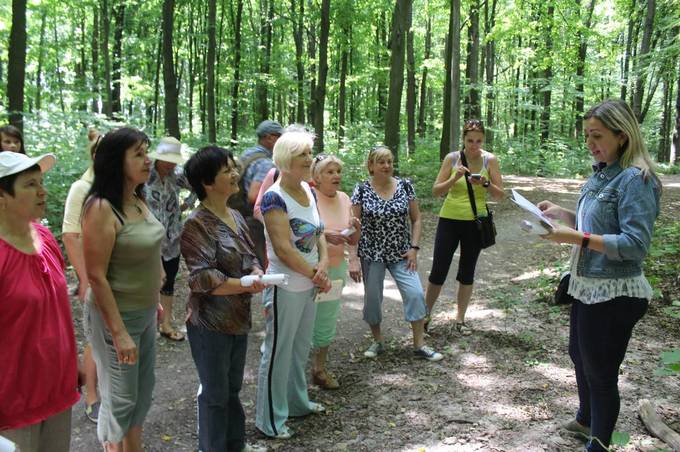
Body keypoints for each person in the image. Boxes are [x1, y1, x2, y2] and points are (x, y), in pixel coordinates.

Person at [537, 99, 661, 452]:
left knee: (601, 372)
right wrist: (563, 215)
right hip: (588, 284)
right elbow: (596, 226)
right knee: (579, 355)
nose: (590, 143)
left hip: (615, 291)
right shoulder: (603, 171)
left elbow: (635, 244)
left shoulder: (635, 179)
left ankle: (600, 444)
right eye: (587, 135)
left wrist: (577, 237)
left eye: (597, 135)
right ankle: (585, 419)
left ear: (622, 135)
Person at [81, 127, 165, 451]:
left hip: (144, 312)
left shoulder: (137, 198)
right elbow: (96, 276)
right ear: (117, 161)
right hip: (116, 318)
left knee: (142, 394)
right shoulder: (101, 207)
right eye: (139, 154)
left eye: (147, 151)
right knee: (121, 398)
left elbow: (149, 252)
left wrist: (154, 300)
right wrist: (118, 333)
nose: (149, 160)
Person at [181, 146, 267, 452]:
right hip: (210, 324)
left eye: (234, 167)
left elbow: (249, 257)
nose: (234, 173)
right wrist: (245, 283)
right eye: (226, 170)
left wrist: (255, 271)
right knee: (215, 394)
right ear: (207, 182)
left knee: (232, 389)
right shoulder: (196, 224)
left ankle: (235, 444)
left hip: (237, 318)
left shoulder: (235, 215)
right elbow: (203, 279)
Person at [0, 151, 81, 451]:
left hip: (57, 391)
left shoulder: (45, 238)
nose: (42, 191)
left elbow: (56, 310)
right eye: (30, 184)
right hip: (12, 407)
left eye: (41, 182)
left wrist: (73, 363)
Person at [255, 129, 331, 439]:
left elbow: (319, 232)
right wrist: (315, 272)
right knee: (277, 352)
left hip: (310, 282)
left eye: (309, 153)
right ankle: (270, 419)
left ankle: (297, 403)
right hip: (284, 285)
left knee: (300, 349)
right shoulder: (274, 196)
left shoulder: (309, 190)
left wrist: (323, 265)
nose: (309, 159)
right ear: (287, 159)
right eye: (303, 154)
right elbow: (283, 248)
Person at [350, 146, 443, 362]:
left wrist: (414, 248)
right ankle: (378, 341)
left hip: (402, 252)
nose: (387, 166)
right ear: (371, 166)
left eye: (390, 161)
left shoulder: (405, 186)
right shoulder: (361, 189)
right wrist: (353, 257)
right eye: (381, 162)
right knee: (372, 299)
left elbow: (416, 219)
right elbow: (354, 227)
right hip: (371, 253)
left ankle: (419, 344)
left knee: (415, 293)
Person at [424, 119, 504, 334]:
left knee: (467, 272)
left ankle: (460, 320)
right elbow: (436, 191)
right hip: (449, 220)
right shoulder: (452, 159)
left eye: (478, 141)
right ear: (464, 139)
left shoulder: (490, 160)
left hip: (475, 223)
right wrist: (454, 178)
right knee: (438, 270)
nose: (474, 145)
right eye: (470, 140)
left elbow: (500, 194)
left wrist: (485, 184)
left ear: (484, 140)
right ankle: (425, 316)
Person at [309, 154, 360, 389]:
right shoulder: (308, 198)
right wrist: (325, 235)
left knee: (327, 317)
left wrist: (353, 256)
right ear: (316, 178)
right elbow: (298, 234)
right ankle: (296, 371)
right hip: (309, 269)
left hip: (336, 268)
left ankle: (319, 369)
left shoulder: (344, 197)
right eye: (330, 172)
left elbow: (353, 237)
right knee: (305, 318)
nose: (336, 175)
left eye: (338, 171)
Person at [62, 127, 101, 423]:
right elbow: (70, 235)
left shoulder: (119, 188)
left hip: (118, 275)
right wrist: (86, 278)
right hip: (94, 273)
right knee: (94, 335)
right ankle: (91, 395)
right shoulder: (82, 188)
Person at [146, 136, 196, 342]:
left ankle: (166, 323)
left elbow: (197, 187)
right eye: (167, 159)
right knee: (149, 281)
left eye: (174, 159)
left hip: (172, 236)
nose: (170, 163)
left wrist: (188, 204)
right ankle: (149, 324)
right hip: (148, 238)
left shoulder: (177, 176)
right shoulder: (145, 176)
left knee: (169, 279)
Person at [230, 120, 284, 265]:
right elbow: (254, 196)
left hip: (237, 217)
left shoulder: (248, 154)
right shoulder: (266, 163)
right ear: (270, 138)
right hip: (253, 222)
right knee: (257, 264)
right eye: (280, 137)